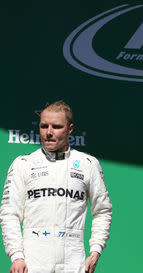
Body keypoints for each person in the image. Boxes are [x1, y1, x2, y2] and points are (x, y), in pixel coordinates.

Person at [0, 101, 112, 273]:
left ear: (70, 129)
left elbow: (102, 211)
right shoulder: (23, 164)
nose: (49, 132)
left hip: (73, 263)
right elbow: (9, 213)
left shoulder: (87, 164)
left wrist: (96, 250)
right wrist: (16, 256)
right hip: (33, 263)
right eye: (44, 126)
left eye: (57, 126)